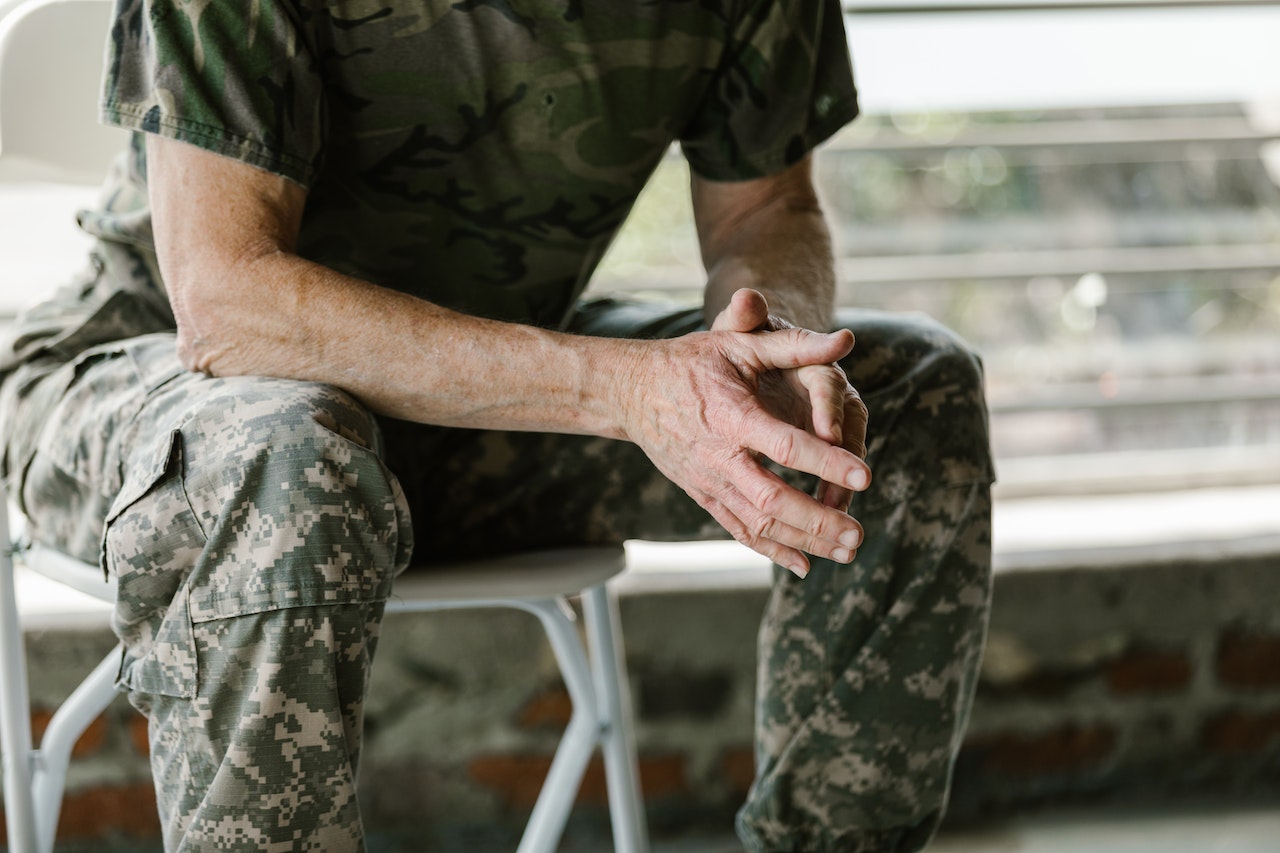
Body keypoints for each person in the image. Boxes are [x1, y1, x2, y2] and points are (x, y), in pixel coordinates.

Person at [0, 0, 994, 850]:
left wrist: (764, 340)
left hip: (486, 392)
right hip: (161, 375)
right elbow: (228, 303)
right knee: (285, 451)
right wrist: (631, 392)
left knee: (911, 392)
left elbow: (763, 208)